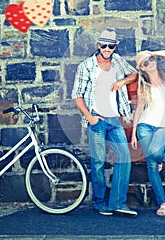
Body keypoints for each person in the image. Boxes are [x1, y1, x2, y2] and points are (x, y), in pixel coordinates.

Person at [72, 28, 138, 216]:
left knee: (124, 158)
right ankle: (100, 202)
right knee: (98, 163)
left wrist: (122, 82)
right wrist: (90, 118)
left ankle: (117, 202)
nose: (107, 49)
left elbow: (134, 74)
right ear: (98, 45)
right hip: (97, 120)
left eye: (111, 46)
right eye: (104, 45)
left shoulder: (118, 61)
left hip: (115, 119)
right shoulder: (86, 66)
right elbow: (77, 95)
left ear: (115, 47)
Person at [131, 49, 165, 216]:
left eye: (150, 59)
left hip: (163, 127)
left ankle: (160, 157)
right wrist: (134, 131)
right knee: (151, 164)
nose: (150, 63)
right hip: (145, 125)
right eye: (145, 62)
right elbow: (138, 110)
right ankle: (163, 203)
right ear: (142, 68)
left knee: (155, 153)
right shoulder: (144, 85)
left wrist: (154, 52)